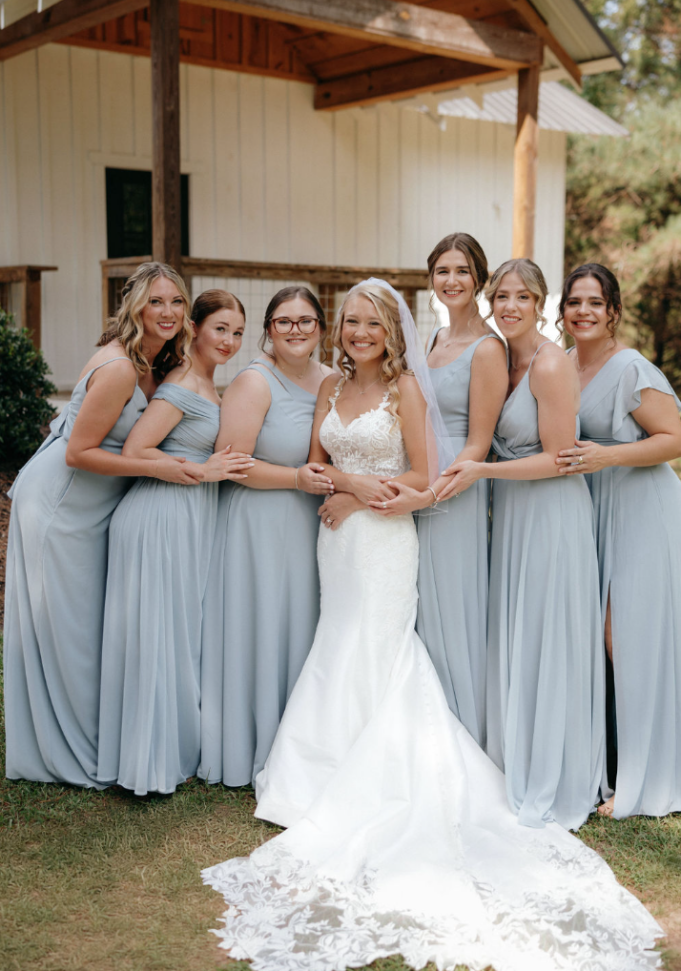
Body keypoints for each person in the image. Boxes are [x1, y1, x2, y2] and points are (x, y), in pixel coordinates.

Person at [202, 279, 661, 971]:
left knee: (377, 652)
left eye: (370, 323)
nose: (358, 333)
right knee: (337, 646)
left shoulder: (405, 392)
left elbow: (421, 482)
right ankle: (316, 771)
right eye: (350, 322)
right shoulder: (328, 389)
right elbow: (316, 468)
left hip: (384, 541)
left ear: (390, 330)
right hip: (337, 546)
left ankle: (376, 778)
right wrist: (340, 489)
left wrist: (359, 497)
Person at [4, 261, 199, 787]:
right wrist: (158, 467)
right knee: (66, 630)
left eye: (177, 302)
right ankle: (70, 749)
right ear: (134, 305)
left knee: (87, 626)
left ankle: (96, 737)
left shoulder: (157, 363)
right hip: (61, 505)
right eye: (156, 301)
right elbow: (78, 452)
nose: (167, 312)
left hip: (96, 508)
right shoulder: (118, 369)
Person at [443, 258, 604, 830]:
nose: (509, 305)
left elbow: (561, 461)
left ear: (540, 303)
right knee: (519, 635)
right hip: (512, 516)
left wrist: (482, 473)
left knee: (547, 635)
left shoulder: (550, 362)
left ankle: (555, 771)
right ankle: (515, 757)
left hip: (552, 517)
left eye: (522, 297)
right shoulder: (500, 358)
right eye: (501, 296)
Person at [345, 233, 507, 747]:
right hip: (416, 490)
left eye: (462, 270)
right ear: (431, 278)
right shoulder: (433, 341)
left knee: (453, 606)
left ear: (478, 278)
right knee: (420, 611)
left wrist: (429, 495)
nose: (452, 280)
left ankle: (467, 739)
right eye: (442, 271)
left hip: (454, 493)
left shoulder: (488, 349)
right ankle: (423, 736)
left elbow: (478, 445)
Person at [96, 289, 252, 796]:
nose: (228, 341)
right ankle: (148, 764)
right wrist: (201, 471)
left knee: (176, 636)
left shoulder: (206, 380)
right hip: (160, 516)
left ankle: (170, 749)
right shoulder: (181, 383)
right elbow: (139, 448)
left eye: (237, 333)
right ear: (196, 328)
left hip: (187, 515)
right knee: (158, 638)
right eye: (220, 329)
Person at [556, 262, 681, 819]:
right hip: (590, 512)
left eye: (593, 302)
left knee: (627, 637)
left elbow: (674, 437)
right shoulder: (558, 367)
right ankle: (605, 764)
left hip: (641, 509)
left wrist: (607, 455)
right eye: (574, 302)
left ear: (613, 311)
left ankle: (645, 778)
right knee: (597, 636)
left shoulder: (631, 368)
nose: (583, 311)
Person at [197, 286, 334, 788]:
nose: (295, 330)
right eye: (283, 322)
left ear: (321, 326)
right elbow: (234, 465)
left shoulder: (334, 379)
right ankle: (249, 744)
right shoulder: (255, 382)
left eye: (305, 321)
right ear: (269, 331)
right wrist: (296, 478)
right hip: (259, 522)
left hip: (310, 524)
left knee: (300, 626)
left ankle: (299, 746)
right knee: (263, 625)